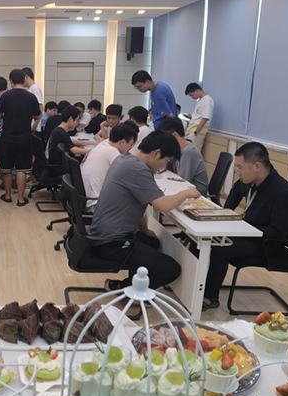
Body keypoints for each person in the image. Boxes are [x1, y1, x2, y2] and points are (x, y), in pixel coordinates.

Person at [89, 131, 201, 290]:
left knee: (152, 242)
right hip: (112, 243)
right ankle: (122, 288)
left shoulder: (124, 159)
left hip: (104, 234)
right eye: (166, 161)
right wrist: (187, 192)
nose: (164, 166)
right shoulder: (138, 169)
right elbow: (163, 205)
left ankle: (136, 280)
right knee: (171, 269)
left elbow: (134, 205)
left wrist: (145, 231)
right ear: (157, 153)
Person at [202, 142, 288, 311]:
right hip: (250, 233)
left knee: (221, 246)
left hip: (268, 244)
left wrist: (245, 228)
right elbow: (236, 190)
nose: (238, 173)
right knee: (204, 237)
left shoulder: (282, 193)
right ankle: (194, 284)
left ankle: (210, 297)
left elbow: (279, 232)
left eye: (240, 168)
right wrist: (227, 213)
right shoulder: (251, 180)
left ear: (257, 166)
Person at [0, 68, 42, 206]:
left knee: (7, 168)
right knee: (22, 169)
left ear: (11, 82)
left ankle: (8, 196)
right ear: (24, 79)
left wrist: (7, 116)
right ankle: (21, 199)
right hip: (24, 138)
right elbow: (38, 115)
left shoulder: (6, 96)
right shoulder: (31, 97)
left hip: (7, 138)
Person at [81, 123, 139, 210]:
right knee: (135, 202)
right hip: (95, 204)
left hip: (86, 199)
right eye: (131, 145)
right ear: (123, 142)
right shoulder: (112, 151)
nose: (129, 148)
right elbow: (126, 174)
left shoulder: (102, 145)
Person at [156, 117, 209, 196]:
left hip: (196, 193)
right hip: (184, 188)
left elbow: (182, 180)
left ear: (174, 135)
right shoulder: (178, 149)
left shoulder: (188, 152)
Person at [47, 106, 96, 176]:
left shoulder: (58, 130)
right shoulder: (61, 133)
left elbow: (71, 141)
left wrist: (93, 143)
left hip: (56, 165)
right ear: (70, 119)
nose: (77, 123)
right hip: (59, 168)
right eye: (77, 120)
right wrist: (94, 151)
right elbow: (74, 150)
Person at [183, 83, 214, 152]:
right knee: (187, 152)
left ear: (196, 91)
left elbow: (205, 118)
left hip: (197, 132)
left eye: (192, 95)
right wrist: (192, 116)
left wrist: (196, 132)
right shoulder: (200, 100)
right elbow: (199, 116)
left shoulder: (207, 101)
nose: (192, 97)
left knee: (193, 153)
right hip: (191, 130)